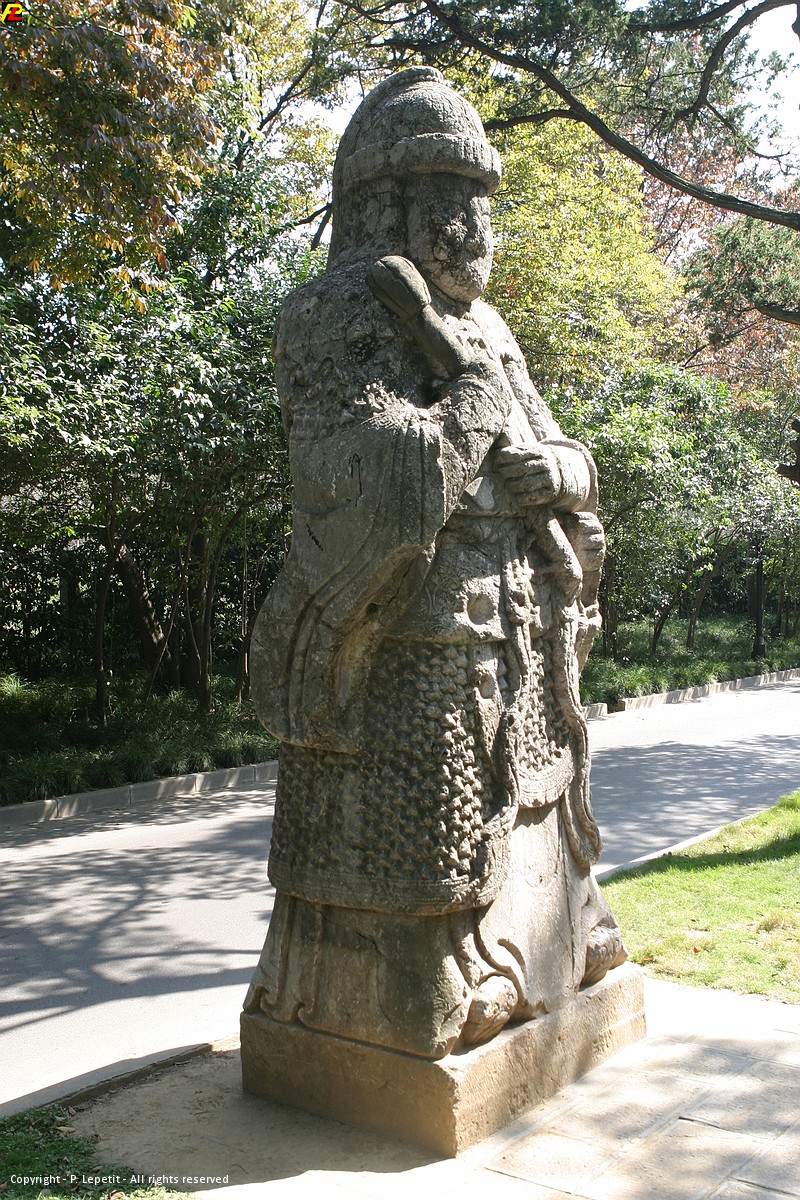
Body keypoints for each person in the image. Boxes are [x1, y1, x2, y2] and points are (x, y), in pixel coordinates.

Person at [244, 68, 626, 1059]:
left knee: (534, 784)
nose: (476, 228)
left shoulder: (486, 326)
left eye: (480, 203)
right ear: (393, 204)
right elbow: (365, 472)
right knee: (426, 807)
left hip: (522, 607)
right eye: (455, 203)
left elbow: (557, 444)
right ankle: (432, 972)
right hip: (415, 616)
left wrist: (561, 471)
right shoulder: (334, 312)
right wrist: (468, 404)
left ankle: (557, 931)